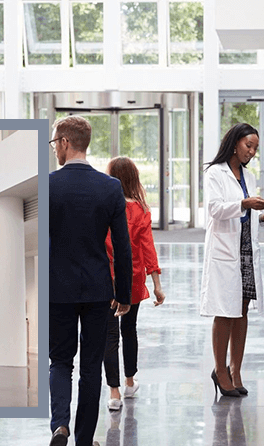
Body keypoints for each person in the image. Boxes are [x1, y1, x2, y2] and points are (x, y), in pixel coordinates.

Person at [49, 115, 132, 446]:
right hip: (98, 289)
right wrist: (123, 293)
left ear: (66, 143)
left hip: (58, 289)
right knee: (89, 368)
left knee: (60, 361)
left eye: (55, 143)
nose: (55, 149)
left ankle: (59, 426)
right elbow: (122, 247)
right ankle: (84, 439)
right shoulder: (110, 187)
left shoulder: (49, 184)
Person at [200, 123, 264, 397]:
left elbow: (249, 213)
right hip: (224, 249)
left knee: (242, 309)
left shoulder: (249, 176)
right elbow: (215, 209)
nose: (252, 152)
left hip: (245, 247)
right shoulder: (214, 174)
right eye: (248, 146)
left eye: (255, 148)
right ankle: (220, 370)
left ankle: (236, 369)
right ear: (234, 144)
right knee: (224, 310)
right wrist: (244, 205)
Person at [102, 156, 165, 411]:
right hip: (134, 278)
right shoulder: (140, 210)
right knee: (129, 329)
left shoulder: (104, 207)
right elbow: (148, 248)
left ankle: (114, 393)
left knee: (109, 335)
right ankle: (129, 382)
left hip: (107, 278)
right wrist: (157, 284)